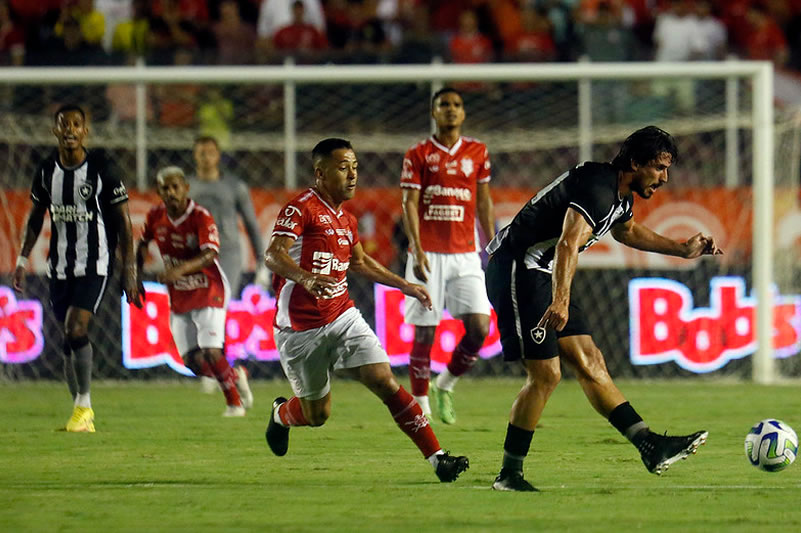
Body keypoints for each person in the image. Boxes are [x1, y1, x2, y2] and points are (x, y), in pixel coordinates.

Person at [485, 126, 721, 492]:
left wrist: (682, 249)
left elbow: (627, 233)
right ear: (635, 162)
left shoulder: (621, 197)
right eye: (659, 167)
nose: (665, 177)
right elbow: (567, 244)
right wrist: (560, 299)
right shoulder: (597, 187)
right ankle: (509, 474)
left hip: (543, 273)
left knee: (590, 360)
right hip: (518, 268)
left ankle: (649, 445)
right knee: (546, 376)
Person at [263, 138, 469, 483]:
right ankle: (282, 414)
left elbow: (358, 262)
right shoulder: (300, 209)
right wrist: (305, 278)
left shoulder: (347, 220)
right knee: (317, 414)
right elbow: (273, 254)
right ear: (320, 173)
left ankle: (438, 459)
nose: (352, 175)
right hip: (299, 329)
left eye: (355, 167)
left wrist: (406, 286)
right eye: (343, 167)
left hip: (343, 315)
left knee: (385, 380)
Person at [12, 104, 142, 432]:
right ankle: (79, 412)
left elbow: (123, 222)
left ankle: (85, 406)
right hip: (59, 266)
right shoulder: (45, 170)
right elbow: (35, 218)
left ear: (86, 131)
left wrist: (130, 269)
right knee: (68, 340)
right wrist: (22, 260)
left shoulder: (102, 169)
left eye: (76, 125)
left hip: (95, 264)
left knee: (76, 328)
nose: (70, 130)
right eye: (63, 125)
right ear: (55, 131)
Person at [400, 87, 495, 424]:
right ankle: (421, 405)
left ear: (463, 113)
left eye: (456, 105)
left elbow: (483, 201)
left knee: (480, 328)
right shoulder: (418, 153)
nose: (451, 110)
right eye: (444, 105)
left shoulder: (477, 151)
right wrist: (417, 247)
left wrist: (492, 243)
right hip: (428, 255)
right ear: (434, 112)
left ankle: (447, 383)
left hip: (465, 254)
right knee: (425, 333)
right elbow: (409, 202)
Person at [136, 166, 253, 417]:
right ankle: (235, 375)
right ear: (159, 191)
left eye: (175, 186)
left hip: (210, 288)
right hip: (180, 295)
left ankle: (235, 404)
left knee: (212, 351)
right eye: (165, 188)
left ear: (186, 188)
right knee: (191, 362)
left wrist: (180, 271)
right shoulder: (156, 216)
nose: (171, 192)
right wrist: (134, 274)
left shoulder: (200, 216)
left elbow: (211, 253)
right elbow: (143, 243)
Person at [188, 135, 268, 394]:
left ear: (218, 155)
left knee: (217, 308)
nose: (205, 157)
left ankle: (217, 367)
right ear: (194, 155)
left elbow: (253, 227)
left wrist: (262, 265)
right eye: (200, 152)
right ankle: (216, 367)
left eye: (210, 152)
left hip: (228, 255)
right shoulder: (186, 186)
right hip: (196, 254)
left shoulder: (235, 186)